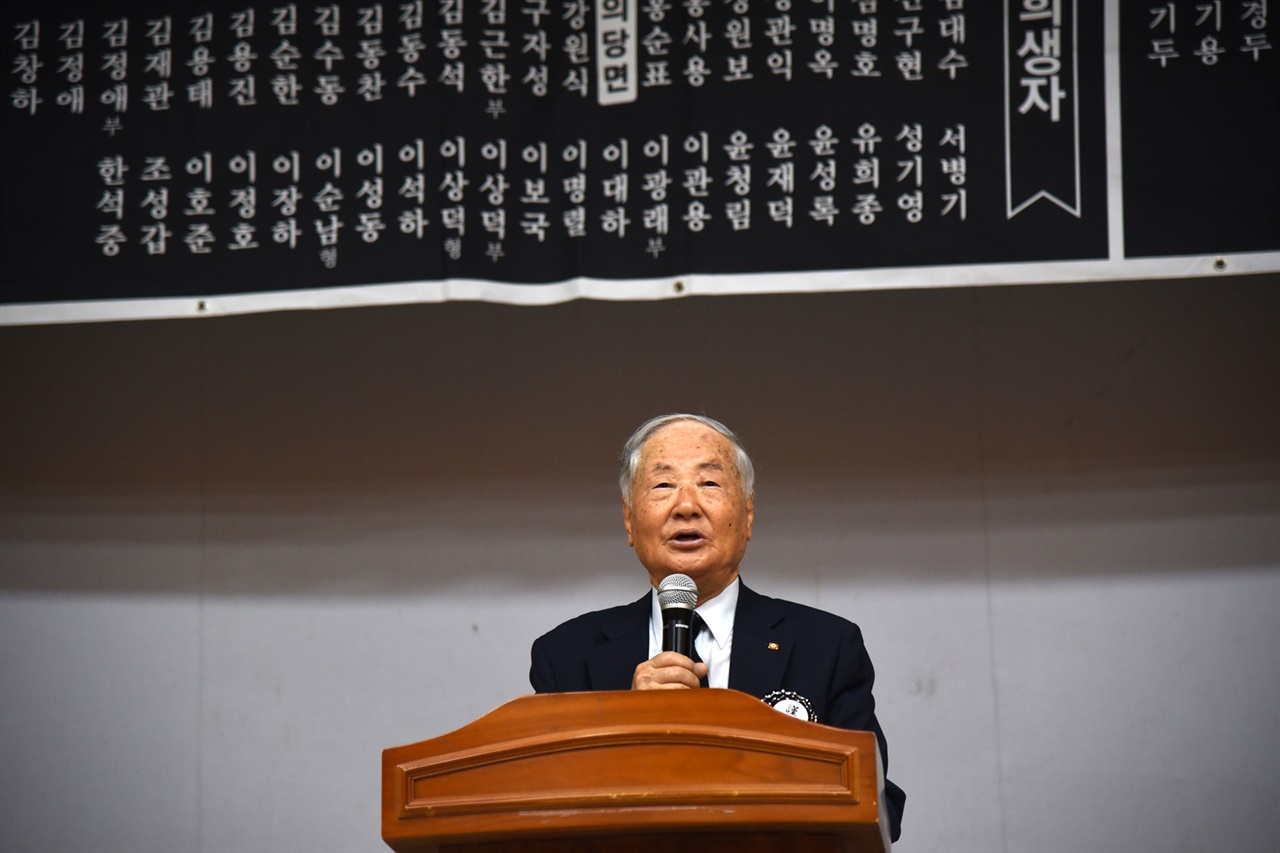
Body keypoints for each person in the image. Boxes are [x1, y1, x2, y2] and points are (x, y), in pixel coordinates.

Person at [529, 413, 905, 841]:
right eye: (663, 485)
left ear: (747, 516)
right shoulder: (566, 656)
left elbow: (878, 806)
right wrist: (627, 731)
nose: (686, 506)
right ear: (630, 520)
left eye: (709, 484)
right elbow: (544, 814)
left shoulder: (825, 645)